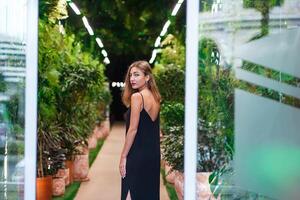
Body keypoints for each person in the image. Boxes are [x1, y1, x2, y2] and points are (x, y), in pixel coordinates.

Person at [120, 60, 161, 200]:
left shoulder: (137, 97)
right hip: (152, 156)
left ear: (147, 77)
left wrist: (123, 156)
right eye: (130, 75)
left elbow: (133, 130)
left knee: (133, 194)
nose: (132, 78)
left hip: (138, 155)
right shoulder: (155, 97)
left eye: (136, 75)